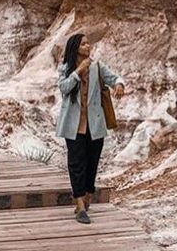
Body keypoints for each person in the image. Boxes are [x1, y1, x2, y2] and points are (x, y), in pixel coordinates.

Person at [56, 32, 125, 224]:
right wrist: (78, 71)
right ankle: (79, 205)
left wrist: (119, 85)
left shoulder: (97, 67)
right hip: (74, 126)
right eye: (84, 44)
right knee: (76, 164)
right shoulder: (65, 69)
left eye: (88, 44)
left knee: (92, 163)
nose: (88, 47)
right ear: (75, 47)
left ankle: (87, 194)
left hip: (95, 125)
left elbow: (115, 78)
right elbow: (63, 88)